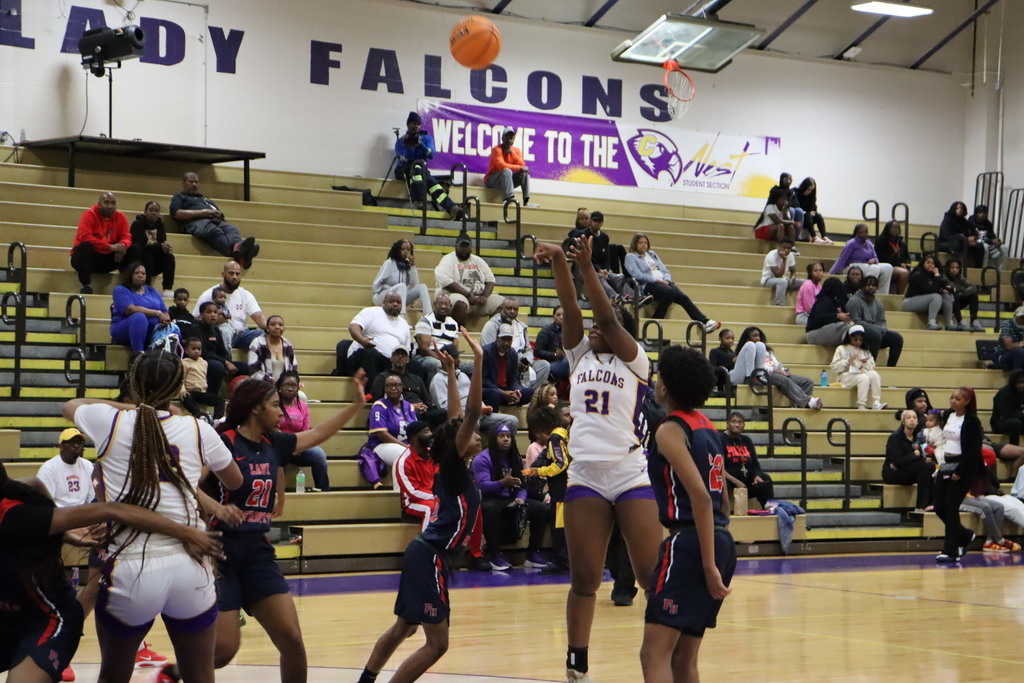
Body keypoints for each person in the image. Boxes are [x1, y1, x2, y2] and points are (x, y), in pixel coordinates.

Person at [63, 350, 244, 683]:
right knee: (200, 675)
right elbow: (235, 480)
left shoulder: (109, 421)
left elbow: (72, 404)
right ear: (179, 387)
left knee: (114, 675)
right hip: (190, 563)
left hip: (131, 566)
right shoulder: (197, 428)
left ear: (133, 384)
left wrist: (134, 407)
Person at [532, 236, 664, 682]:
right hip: (586, 473)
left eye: (603, 327)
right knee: (585, 580)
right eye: (591, 328)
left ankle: (660, 653)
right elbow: (573, 309)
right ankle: (576, 665)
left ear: (621, 331)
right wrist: (558, 265)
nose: (593, 328)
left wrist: (587, 266)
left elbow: (604, 314)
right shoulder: (580, 355)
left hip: (629, 472)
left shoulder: (637, 361)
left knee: (651, 574)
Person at [199, 372, 366, 681]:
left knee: (292, 640)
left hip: (258, 554)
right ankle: (174, 671)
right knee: (223, 651)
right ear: (255, 408)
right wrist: (216, 507)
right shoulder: (224, 442)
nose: (283, 412)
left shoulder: (273, 442)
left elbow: (317, 435)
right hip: (221, 554)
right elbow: (186, 483)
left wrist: (355, 406)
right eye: (276, 405)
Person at [0, 461, 225, 683]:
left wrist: (186, 533)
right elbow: (35, 483)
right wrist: (57, 529)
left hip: (48, 620)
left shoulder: (15, 518)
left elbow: (112, 509)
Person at [357, 331, 484, 683]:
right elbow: (471, 413)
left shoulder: (450, 459)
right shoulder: (456, 466)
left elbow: (459, 417)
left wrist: (451, 371)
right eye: (473, 434)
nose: (477, 435)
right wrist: (479, 364)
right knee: (436, 644)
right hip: (430, 555)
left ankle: (365, 680)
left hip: (425, 554)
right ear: (459, 443)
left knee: (405, 628)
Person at [640, 344, 734, 683]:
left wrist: (707, 564)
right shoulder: (707, 427)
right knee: (684, 660)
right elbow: (722, 496)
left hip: (690, 543)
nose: (654, 380)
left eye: (658, 375)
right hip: (721, 539)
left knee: (654, 654)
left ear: (665, 386)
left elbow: (701, 498)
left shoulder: (669, 430)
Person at [472, 423, 548, 570]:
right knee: (490, 509)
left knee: (540, 509)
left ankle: (533, 554)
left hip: (510, 498)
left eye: (508, 436)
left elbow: (523, 485)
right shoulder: (482, 459)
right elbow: (482, 486)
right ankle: (495, 554)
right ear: (494, 439)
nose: (506, 439)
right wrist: (502, 483)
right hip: (490, 498)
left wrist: (521, 498)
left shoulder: (515, 458)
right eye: (501, 436)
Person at [625, 233, 720, 331]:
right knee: (670, 292)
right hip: (648, 285)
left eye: (645, 242)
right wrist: (656, 280)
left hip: (664, 282)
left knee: (682, 297)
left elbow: (664, 270)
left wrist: (666, 279)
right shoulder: (631, 257)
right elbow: (637, 275)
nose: (643, 244)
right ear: (635, 244)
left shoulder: (652, 254)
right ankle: (653, 324)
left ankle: (705, 322)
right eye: (640, 242)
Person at [932, 387, 985, 563]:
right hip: (946, 464)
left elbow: (974, 451)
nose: (953, 401)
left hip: (964, 467)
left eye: (958, 399)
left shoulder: (972, 422)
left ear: (967, 401)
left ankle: (952, 550)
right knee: (939, 506)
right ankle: (965, 534)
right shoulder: (949, 415)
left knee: (951, 507)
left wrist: (960, 471)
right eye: (952, 398)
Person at [169, 172, 260, 268]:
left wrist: (219, 214)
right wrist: (204, 212)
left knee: (232, 228)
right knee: (214, 231)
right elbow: (177, 214)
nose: (194, 184)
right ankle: (242, 257)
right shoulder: (179, 197)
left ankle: (238, 248)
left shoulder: (205, 199)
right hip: (196, 222)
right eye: (191, 182)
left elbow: (219, 214)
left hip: (215, 220)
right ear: (183, 183)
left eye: (196, 182)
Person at [522, 405, 571, 574]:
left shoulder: (555, 437)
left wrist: (539, 472)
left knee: (559, 528)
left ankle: (562, 562)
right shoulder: (563, 432)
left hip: (562, 489)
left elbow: (560, 463)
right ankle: (564, 561)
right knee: (562, 526)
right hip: (566, 488)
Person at [729, 326, 822, 410]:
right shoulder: (749, 351)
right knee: (783, 380)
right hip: (765, 374)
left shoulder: (766, 350)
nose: (758, 338)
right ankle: (807, 402)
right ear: (747, 339)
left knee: (807, 381)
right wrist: (776, 371)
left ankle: (798, 405)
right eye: (754, 336)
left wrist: (783, 370)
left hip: (777, 372)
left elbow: (776, 363)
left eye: (759, 336)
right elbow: (758, 366)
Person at [394, 112, 463, 219]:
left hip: (421, 170)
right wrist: (408, 147)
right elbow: (403, 159)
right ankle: (419, 200)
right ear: (408, 125)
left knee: (433, 185)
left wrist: (421, 146)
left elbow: (431, 154)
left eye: (418, 124)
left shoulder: (426, 139)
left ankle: (452, 208)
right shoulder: (401, 141)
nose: (415, 126)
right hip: (403, 169)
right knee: (416, 167)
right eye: (413, 123)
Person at [69, 191, 138, 295]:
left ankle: (129, 285)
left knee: (135, 249)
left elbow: (127, 236)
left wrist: (122, 246)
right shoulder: (88, 215)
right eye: (106, 203)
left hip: (108, 259)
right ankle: (86, 284)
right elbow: (85, 237)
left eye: (113, 203)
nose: (110, 206)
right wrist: (110, 247)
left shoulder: (120, 217)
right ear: (99, 204)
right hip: (88, 258)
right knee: (85, 246)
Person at [358, 374, 419, 489]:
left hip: (406, 444)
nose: (393, 388)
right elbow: (381, 434)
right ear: (385, 389)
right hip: (381, 445)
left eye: (396, 385)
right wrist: (406, 447)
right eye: (389, 385)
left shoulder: (409, 407)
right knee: (405, 455)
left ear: (402, 388)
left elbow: (415, 430)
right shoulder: (379, 406)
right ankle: (399, 492)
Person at [192, 260, 267, 349]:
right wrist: (213, 321)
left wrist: (269, 329)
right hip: (219, 334)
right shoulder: (209, 294)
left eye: (237, 274)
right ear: (223, 274)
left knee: (265, 336)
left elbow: (259, 316)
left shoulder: (245, 294)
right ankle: (226, 360)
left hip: (241, 334)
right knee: (224, 331)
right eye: (231, 273)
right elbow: (195, 319)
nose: (234, 277)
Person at [433, 233, 505, 326]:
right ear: (456, 246)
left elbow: (490, 280)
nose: (464, 249)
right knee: (461, 304)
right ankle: (460, 333)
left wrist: (484, 296)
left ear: (471, 247)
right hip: (455, 295)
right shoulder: (448, 260)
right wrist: (468, 296)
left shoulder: (478, 260)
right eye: (461, 246)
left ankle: (493, 332)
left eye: (467, 246)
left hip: (478, 300)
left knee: (502, 304)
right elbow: (447, 282)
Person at [277, 371, 332, 492]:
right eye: (287, 385)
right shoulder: (274, 405)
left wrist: (298, 446)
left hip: (299, 445)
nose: (291, 389)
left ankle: (323, 490)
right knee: (277, 458)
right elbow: (273, 429)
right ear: (280, 388)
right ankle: (274, 493)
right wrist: (288, 446)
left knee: (319, 454)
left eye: (294, 385)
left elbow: (306, 430)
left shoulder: (303, 406)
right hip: (279, 445)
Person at [480, 297, 551, 389]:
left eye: (515, 309)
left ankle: (533, 396)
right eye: (509, 308)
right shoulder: (491, 326)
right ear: (502, 309)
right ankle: (517, 392)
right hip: (502, 361)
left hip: (522, 360)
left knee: (544, 365)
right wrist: (514, 361)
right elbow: (488, 351)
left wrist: (527, 362)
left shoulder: (521, 326)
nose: (512, 311)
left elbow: (528, 349)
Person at [370, 347, 446, 427]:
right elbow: (378, 399)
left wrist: (424, 406)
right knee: (416, 416)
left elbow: (427, 400)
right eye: (397, 354)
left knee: (443, 414)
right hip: (398, 411)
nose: (400, 357)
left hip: (422, 412)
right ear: (391, 358)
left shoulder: (416, 378)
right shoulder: (383, 377)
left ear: (408, 360)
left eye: (403, 355)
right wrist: (410, 406)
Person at [344, 292, 412, 381]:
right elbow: (353, 326)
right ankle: (371, 393)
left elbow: (407, 350)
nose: (395, 304)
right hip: (363, 356)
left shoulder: (404, 324)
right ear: (384, 303)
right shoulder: (371, 312)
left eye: (398, 302)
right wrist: (362, 340)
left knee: (416, 365)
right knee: (372, 354)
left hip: (389, 362)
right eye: (391, 301)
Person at [110, 262, 172, 352]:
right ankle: (138, 355)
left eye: (143, 273)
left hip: (152, 330)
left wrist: (166, 319)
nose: (140, 276)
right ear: (130, 275)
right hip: (125, 329)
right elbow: (130, 309)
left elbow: (164, 310)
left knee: (173, 327)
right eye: (136, 273)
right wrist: (157, 313)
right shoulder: (120, 290)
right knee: (139, 317)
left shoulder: (152, 291)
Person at [719, 411, 774, 508]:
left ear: (744, 425)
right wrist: (736, 482)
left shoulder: (746, 440)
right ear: (727, 423)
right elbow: (719, 468)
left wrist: (756, 476)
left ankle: (770, 510)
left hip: (746, 481)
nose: (736, 425)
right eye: (733, 421)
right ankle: (722, 514)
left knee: (766, 479)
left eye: (740, 422)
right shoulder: (720, 439)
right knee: (722, 483)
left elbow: (755, 465)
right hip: (729, 481)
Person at [846, 275, 904, 367]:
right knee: (875, 335)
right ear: (863, 286)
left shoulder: (878, 303)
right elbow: (855, 322)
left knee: (897, 338)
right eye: (868, 285)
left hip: (878, 332)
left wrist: (883, 329)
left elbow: (882, 320)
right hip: (859, 333)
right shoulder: (854, 301)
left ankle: (891, 367)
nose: (870, 287)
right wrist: (877, 329)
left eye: (873, 285)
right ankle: (870, 366)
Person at [883, 410, 935, 513]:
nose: (912, 420)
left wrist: (914, 458)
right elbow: (896, 461)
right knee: (926, 467)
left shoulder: (918, 438)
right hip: (892, 473)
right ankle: (921, 506)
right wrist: (913, 455)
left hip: (907, 469)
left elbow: (920, 458)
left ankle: (930, 504)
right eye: (908, 418)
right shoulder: (895, 437)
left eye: (914, 417)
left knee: (930, 467)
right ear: (903, 421)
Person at [195, 301, 251, 392]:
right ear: (201, 315)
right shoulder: (196, 328)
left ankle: (239, 396)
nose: (213, 315)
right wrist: (225, 362)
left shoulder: (215, 329)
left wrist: (228, 362)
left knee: (245, 368)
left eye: (215, 312)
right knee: (217, 366)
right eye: (209, 312)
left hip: (218, 360)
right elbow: (204, 353)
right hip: (203, 360)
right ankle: (213, 395)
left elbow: (222, 350)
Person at [829, 325, 887, 411]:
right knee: (864, 378)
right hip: (845, 375)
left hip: (861, 372)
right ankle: (861, 405)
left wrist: (865, 362)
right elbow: (834, 368)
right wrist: (848, 360)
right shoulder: (841, 349)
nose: (858, 342)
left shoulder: (865, 350)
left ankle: (876, 402)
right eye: (855, 339)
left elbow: (871, 367)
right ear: (849, 338)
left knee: (874, 374)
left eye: (860, 340)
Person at [481, 323, 536, 410]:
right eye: (503, 339)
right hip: (491, 390)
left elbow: (514, 379)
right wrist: (503, 392)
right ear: (497, 338)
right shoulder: (486, 352)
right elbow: (484, 380)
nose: (506, 343)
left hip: (507, 390)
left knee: (531, 392)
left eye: (509, 339)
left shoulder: (512, 353)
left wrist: (516, 391)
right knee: (495, 394)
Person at [411, 292, 463, 383]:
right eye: (440, 304)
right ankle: (433, 394)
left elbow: (455, 346)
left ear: (450, 306)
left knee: (472, 366)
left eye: (446, 304)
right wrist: (442, 360)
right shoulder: (425, 321)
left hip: (448, 356)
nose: (443, 306)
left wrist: (455, 360)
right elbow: (423, 349)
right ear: (434, 305)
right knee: (436, 364)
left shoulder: (453, 323)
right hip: (427, 357)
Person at [373, 239, 433, 317]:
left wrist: (413, 266)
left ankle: (429, 317)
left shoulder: (408, 266)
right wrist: (387, 289)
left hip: (399, 298)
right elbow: (376, 285)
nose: (406, 252)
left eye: (408, 250)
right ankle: (401, 318)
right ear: (397, 250)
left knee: (422, 287)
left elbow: (415, 284)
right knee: (402, 286)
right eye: (403, 249)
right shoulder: (389, 263)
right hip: (383, 296)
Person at [35, 428, 92, 508]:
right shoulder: (49, 468)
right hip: (59, 514)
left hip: (82, 514)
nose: (76, 446)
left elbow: (91, 497)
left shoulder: (88, 465)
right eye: (72, 442)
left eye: (79, 443)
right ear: (61, 446)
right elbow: (45, 503)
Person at [829, 223, 894, 294]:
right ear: (857, 233)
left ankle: (882, 293)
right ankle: (866, 291)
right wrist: (831, 272)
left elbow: (876, 258)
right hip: (851, 267)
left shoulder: (869, 243)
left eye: (866, 232)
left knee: (888, 267)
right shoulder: (851, 243)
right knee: (875, 268)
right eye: (862, 232)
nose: (864, 234)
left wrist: (874, 260)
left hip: (866, 266)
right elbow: (842, 259)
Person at [394, 421, 437, 527]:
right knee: (431, 508)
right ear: (414, 437)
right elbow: (412, 492)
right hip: (413, 502)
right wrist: (437, 497)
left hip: (434, 497)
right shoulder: (404, 461)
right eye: (426, 431)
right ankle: (427, 543)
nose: (431, 434)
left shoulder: (434, 455)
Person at [129, 200, 175, 296]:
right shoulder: (137, 224)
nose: (154, 212)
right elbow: (139, 245)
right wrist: (158, 246)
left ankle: (167, 288)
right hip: (139, 260)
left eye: (156, 210)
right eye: (151, 210)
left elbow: (162, 242)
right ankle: (146, 287)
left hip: (155, 262)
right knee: (147, 254)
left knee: (169, 257)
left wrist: (165, 248)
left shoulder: (161, 226)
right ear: (145, 212)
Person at [901, 253, 954, 331]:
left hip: (924, 301)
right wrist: (937, 275)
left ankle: (949, 323)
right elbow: (929, 291)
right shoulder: (917, 275)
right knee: (936, 296)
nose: (930, 265)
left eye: (933, 263)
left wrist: (943, 289)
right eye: (928, 262)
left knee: (946, 296)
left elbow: (940, 287)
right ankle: (931, 323)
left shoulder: (932, 276)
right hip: (909, 302)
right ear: (923, 263)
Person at [484, 126, 531, 205]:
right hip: (492, 180)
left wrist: (513, 154)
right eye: (507, 138)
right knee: (507, 171)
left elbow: (523, 165)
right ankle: (508, 199)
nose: (509, 141)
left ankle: (526, 201)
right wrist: (520, 168)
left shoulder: (516, 151)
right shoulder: (497, 149)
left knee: (524, 174)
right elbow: (501, 166)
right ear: (502, 138)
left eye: (511, 138)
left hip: (507, 181)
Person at [181, 336, 225, 420]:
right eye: (193, 349)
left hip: (202, 392)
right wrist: (183, 390)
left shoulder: (204, 362)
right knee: (187, 399)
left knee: (220, 400)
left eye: (199, 349)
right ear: (186, 350)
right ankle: (200, 415)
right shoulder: (184, 363)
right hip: (190, 392)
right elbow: (181, 379)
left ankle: (217, 419)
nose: (196, 351)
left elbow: (204, 377)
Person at [248, 314, 297, 382]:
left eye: (280, 325)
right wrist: (272, 381)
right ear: (267, 328)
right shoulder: (257, 343)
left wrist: (284, 384)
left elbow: (293, 369)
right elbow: (253, 372)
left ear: (284, 328)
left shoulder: (288, 345)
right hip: (264, 387)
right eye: (273, 324)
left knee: (301, 393)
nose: (277, 327)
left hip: (283, 388)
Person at [804, 276, 851, 347]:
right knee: (850, 327)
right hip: (814, 333)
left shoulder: (838, 301)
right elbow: (818, 317)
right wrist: (837, 316)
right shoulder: (824, 300)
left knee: (855, 327)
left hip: (826, 330)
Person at [944, 257, 985, 332]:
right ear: (947, 268)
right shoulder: (944, 277)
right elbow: (952, 289)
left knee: (973, 295)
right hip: (946, 303)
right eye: (952, 267)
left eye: (957, 268)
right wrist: (959, 290)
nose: (954, 270)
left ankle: (974, 320)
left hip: (957, 302)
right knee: (954, 295)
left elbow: (973, 287)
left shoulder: (960, 278)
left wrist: (963, 293)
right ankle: (960, 321)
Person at [938, 200, 984, 267]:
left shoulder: (964, 221)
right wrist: (965, 239)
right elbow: (946, 236)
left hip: (962, 242)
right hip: (946, 243)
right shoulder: (948, 220)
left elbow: (972, 231)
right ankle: (955, 267)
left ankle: (978, 268)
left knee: (979, 246)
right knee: (956, 244)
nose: (960, 210)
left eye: (961, 208)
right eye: (957, 208)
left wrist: (973, 238)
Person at [760, 237, 804, 306]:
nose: (786, 250)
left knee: (805, 283)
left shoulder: (791, 255)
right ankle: (779, 305)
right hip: (768, 280)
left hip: (783, 279)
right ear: (779, 246)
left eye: (789, 248)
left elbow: (793, 271)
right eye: (784, 247)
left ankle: (803, 305)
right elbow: (778, 275)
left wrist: (792, 278)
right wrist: (784, 260)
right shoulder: (771, 256)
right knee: (782, 282)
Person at [874, 220, 912, 295]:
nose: (896, 229)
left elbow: (907, 257)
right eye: (894, 227)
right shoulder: (881, 241)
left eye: (898, 228)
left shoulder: (901, 243)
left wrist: (907, 263)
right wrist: (900, 264)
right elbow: (882, 258)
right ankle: (900, 296)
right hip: (886, 267)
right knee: (904, 273)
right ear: (888, 228)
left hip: (900, 266)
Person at [767, 172, 806, 239]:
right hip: (780, 209)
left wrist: (788, 204)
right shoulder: (775, 189)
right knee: (791, 210)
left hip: (789, 206)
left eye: (790, 180)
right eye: (786, 179)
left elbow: (796, 203)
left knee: (799, 211)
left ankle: (797, 235)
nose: (788, 181)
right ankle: (788, 231)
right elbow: (772, 201)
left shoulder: (792, 191)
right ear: (781, 179)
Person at [535, 305, 569, 380]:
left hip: (568, 360)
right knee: (568, 362)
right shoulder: (546, 330)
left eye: (564, 315)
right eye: (558, 315)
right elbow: (537, 351)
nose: (561, 317)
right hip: (551, 364)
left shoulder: (571, 330)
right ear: (553, 316)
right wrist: (554, 355)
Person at [991, 370, 1024, 446]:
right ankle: (1014, 448)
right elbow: (1008, 414)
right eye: (1019, 383)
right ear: (1013, 382)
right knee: (1015, 423)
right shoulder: (1003, 393)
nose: (1022, 385)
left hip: (1020, 420)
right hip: (1000, 422)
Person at [969, 204, 1006, 269]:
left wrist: (996, 240)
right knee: (984, 246)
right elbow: (973, 238)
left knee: (1004, 248)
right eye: (980, 213)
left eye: (984, 213)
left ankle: (1000, 271)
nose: (982, 215)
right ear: (976, 213)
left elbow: (992, 236)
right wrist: (991, 241)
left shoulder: (988, 224)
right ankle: (983, 269)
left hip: (988, 244)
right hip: (976, 245)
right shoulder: (971, 222)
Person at [796, 177, 830, 243]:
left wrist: (812, 212)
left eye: (811, 190)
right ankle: (814, 237)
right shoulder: (796, 192)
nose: (809, 192)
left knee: (818, 216)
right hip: (800, 218)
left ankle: (825, 236)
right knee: (808, 215)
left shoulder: (811, 196)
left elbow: (813, 208)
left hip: (808, 218)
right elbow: (796, 206)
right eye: (808, 189)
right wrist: (807, 212)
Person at [795, 262, 824, 326]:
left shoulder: (820, 286)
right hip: (804, 316)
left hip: (814, 315)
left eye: (820, 270)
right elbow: (809, 308)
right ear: (810, 273)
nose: (818, 272)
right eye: (815, 271)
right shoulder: (807, 285)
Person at [996, 306, 1024, 371]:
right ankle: (1016, 378)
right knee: (1020, 352)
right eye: (1021, 317)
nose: (1022, 319)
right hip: (1003, 354)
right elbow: (1009, 346)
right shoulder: (1007, 324)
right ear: (1016, 316)